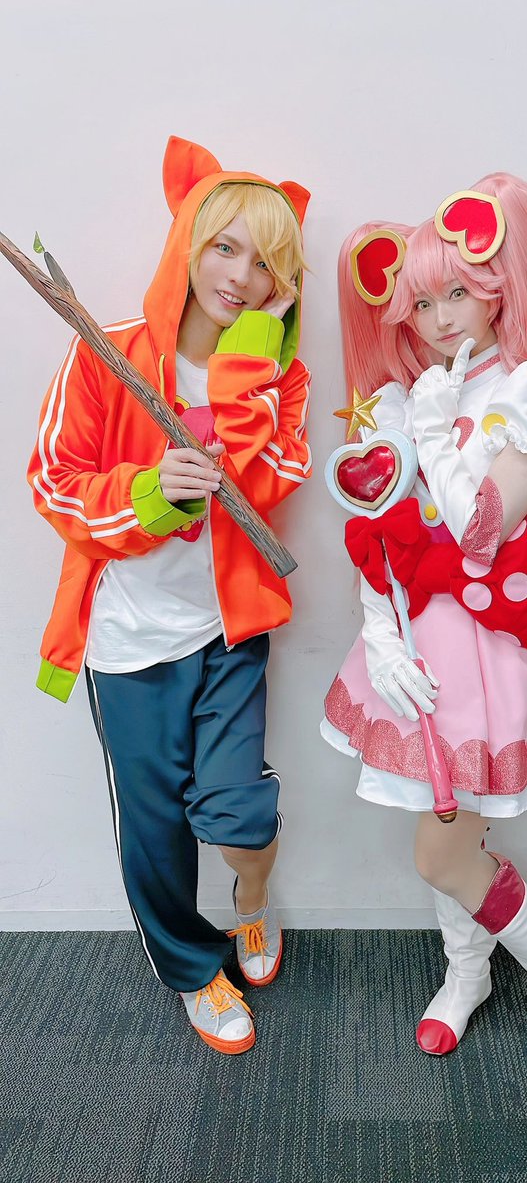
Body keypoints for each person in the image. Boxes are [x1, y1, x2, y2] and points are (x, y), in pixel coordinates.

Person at [322, 175, 527, 1057]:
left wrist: (431, 432)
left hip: (495, 647)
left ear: (498, 287)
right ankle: (468, 973)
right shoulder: (403, 396)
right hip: (417, 642)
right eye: (420, 303)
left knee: (441, 849)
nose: (437, 319)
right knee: (449, 818)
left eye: (455, 292)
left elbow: (479, 533)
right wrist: (379, 636)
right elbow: (378, 535)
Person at [28, 135, 312, 1054]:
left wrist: (248, 364)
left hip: (228, 633)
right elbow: (52, 481)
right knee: (152, 830)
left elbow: (274, 482)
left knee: (239, 811)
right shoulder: (105, 352)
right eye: (224, 246)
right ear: (186, 239)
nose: (240, 276)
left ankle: (252, 900)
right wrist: (150, 494)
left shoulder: (281, 380)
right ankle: (193, 970)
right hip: (126, 641)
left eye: (264, 262)